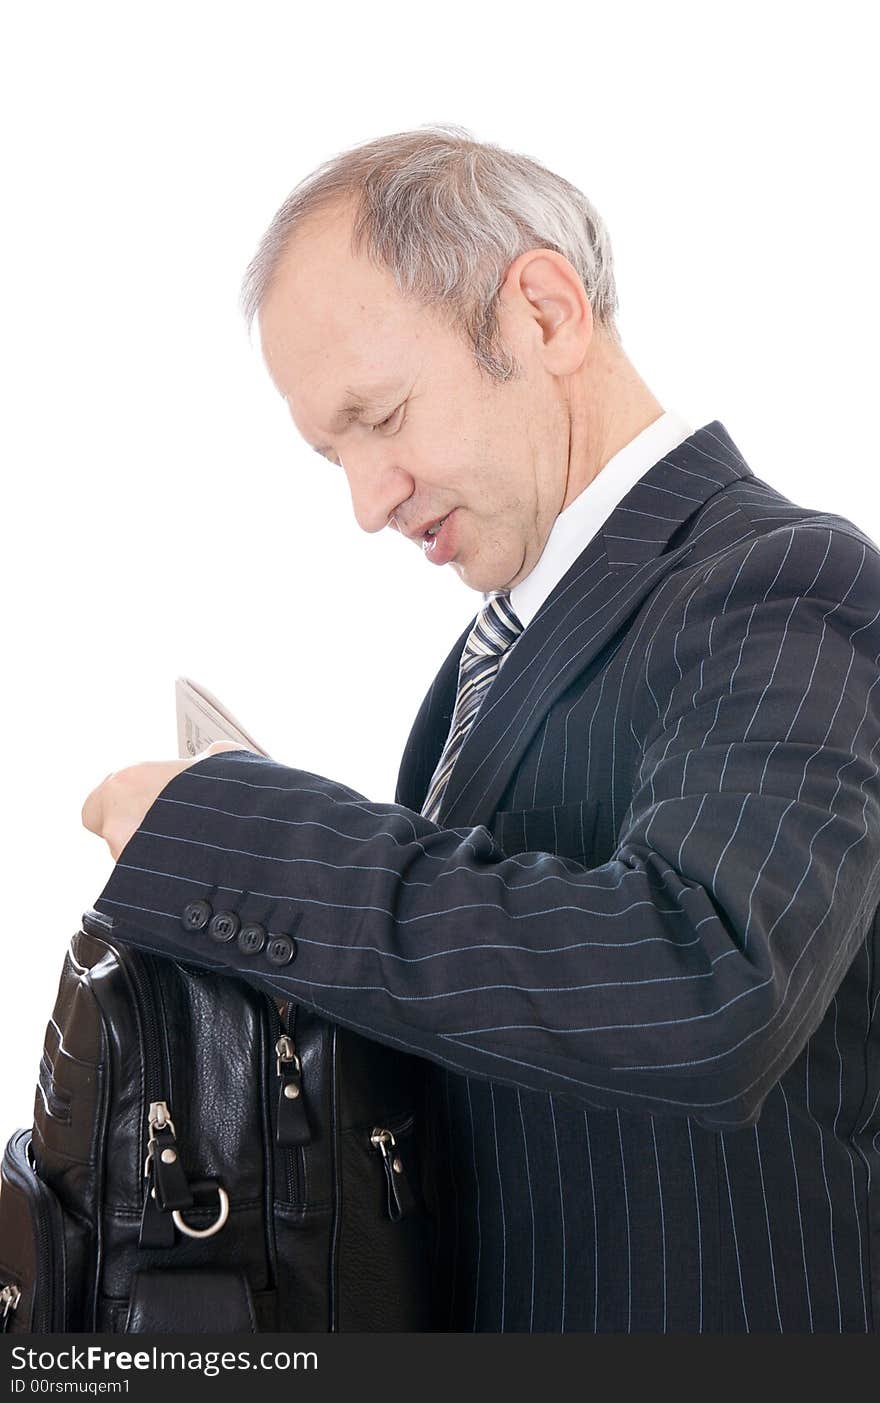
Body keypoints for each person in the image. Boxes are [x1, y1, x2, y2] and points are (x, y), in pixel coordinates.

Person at [82, 124, 880, 1333]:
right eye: (331, 451)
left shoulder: (780, 580)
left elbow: (705, 982)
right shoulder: (488, 651)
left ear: (544, 312)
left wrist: (235, 836)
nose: (366, 500)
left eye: (384, 414)